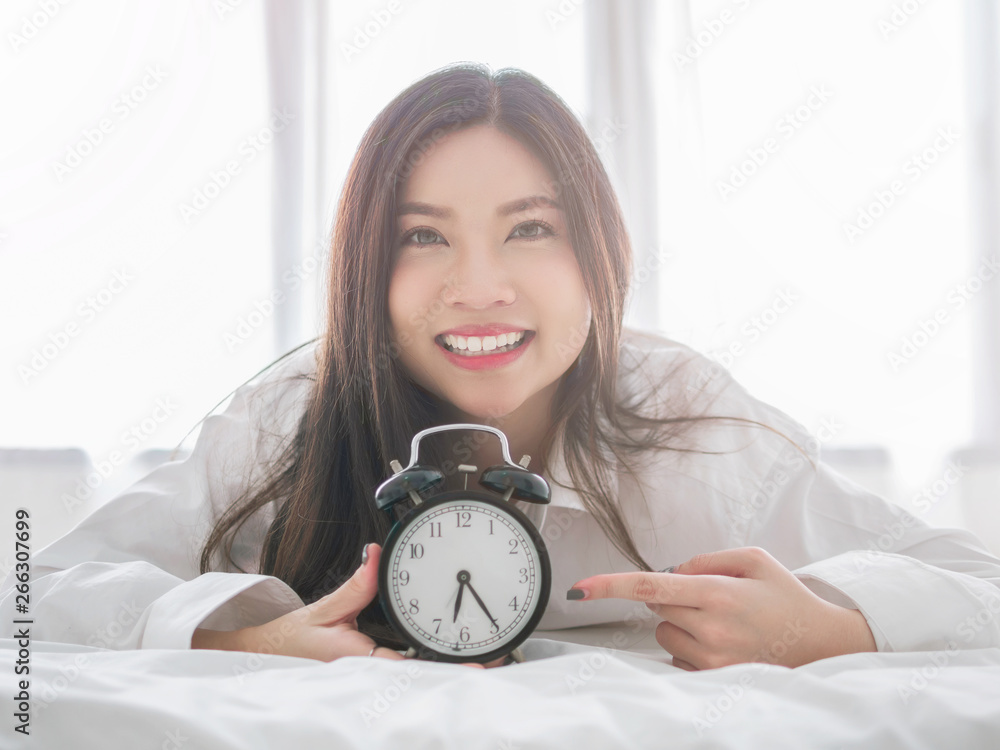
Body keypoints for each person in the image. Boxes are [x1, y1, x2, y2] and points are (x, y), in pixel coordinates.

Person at [4, 62, 999, 672]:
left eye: (530, 229)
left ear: (599, 253)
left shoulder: (686, 423)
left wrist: (832, 632)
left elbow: (972, 582)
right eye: (422, 238)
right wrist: (240, 640)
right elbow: (33, 596)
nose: (479, 288)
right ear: (365, 270)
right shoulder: (293, 418)